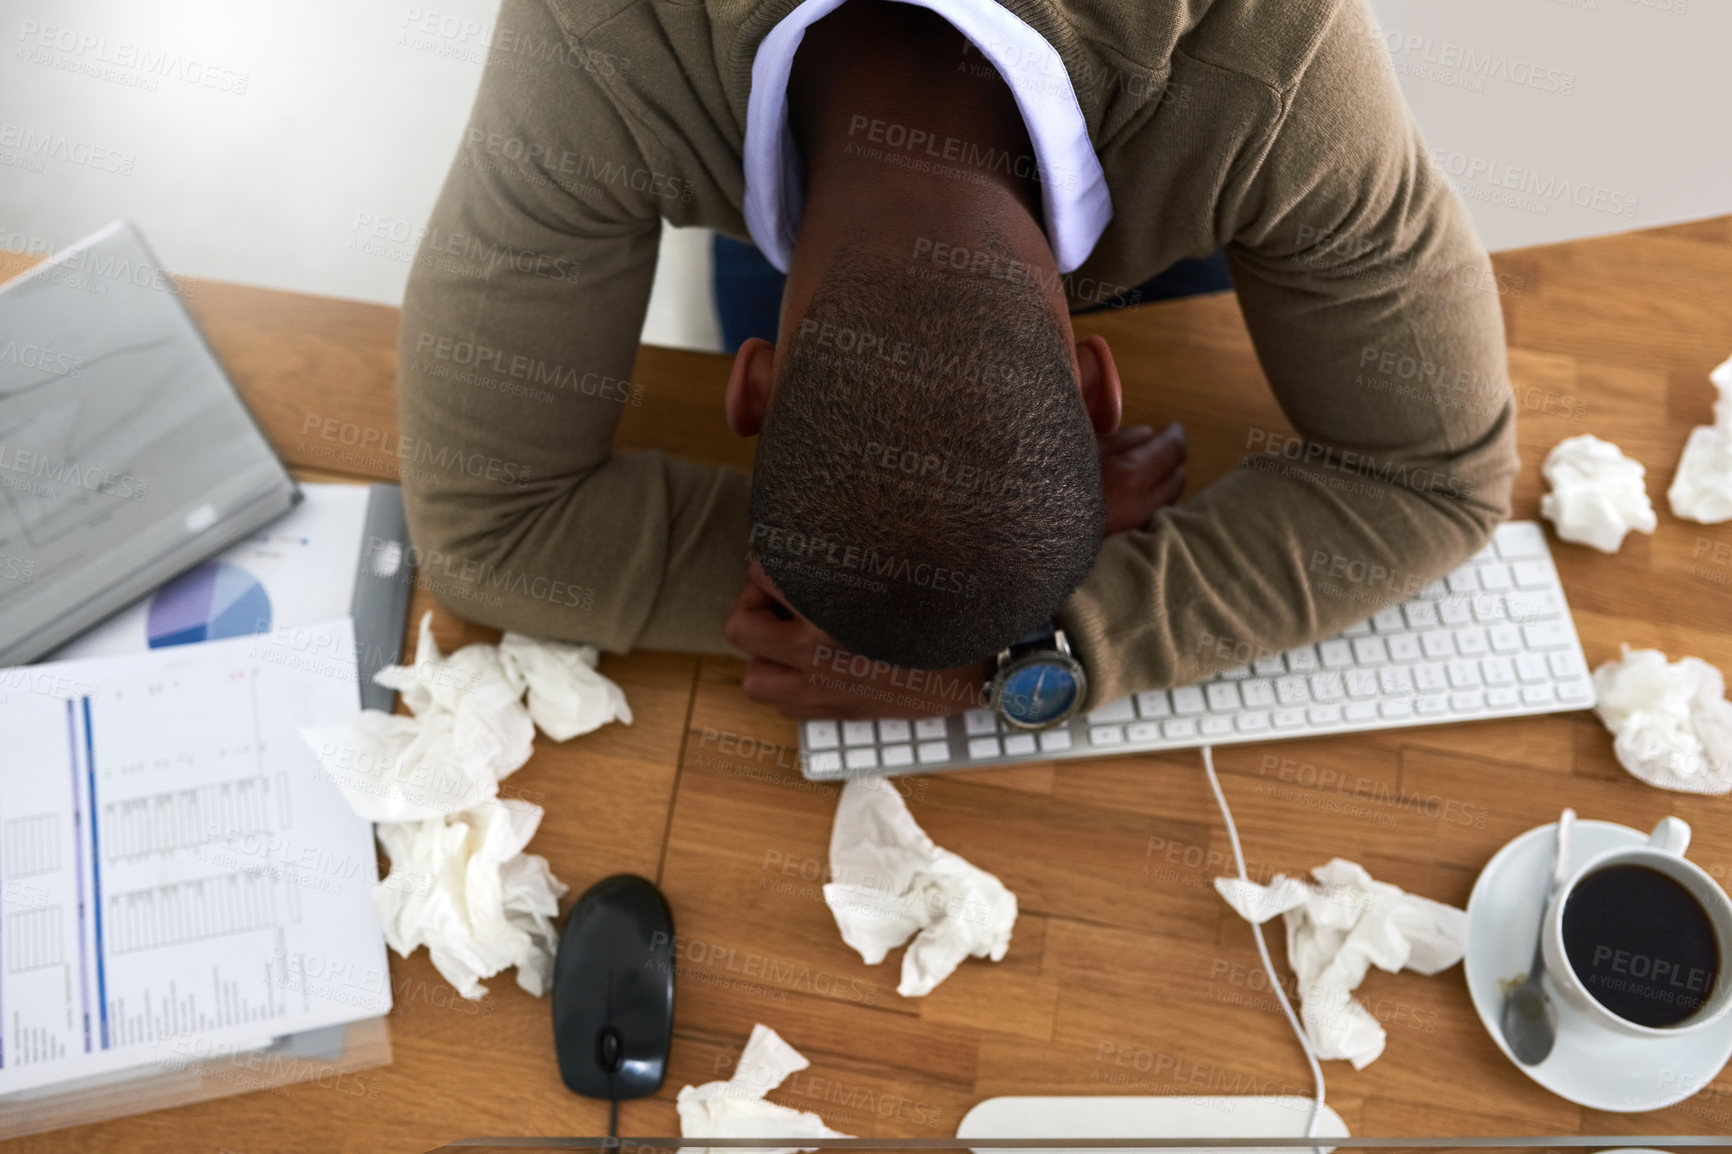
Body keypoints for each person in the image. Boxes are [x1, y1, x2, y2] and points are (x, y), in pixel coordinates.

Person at [398, 0, 1519, 723]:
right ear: (1092, 388)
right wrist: (904, 623)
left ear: (753, 386)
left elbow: (1436, 477)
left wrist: (1037, 652)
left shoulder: (1276, 62)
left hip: (1181, 152)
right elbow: (485, 534)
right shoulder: (592, 41)